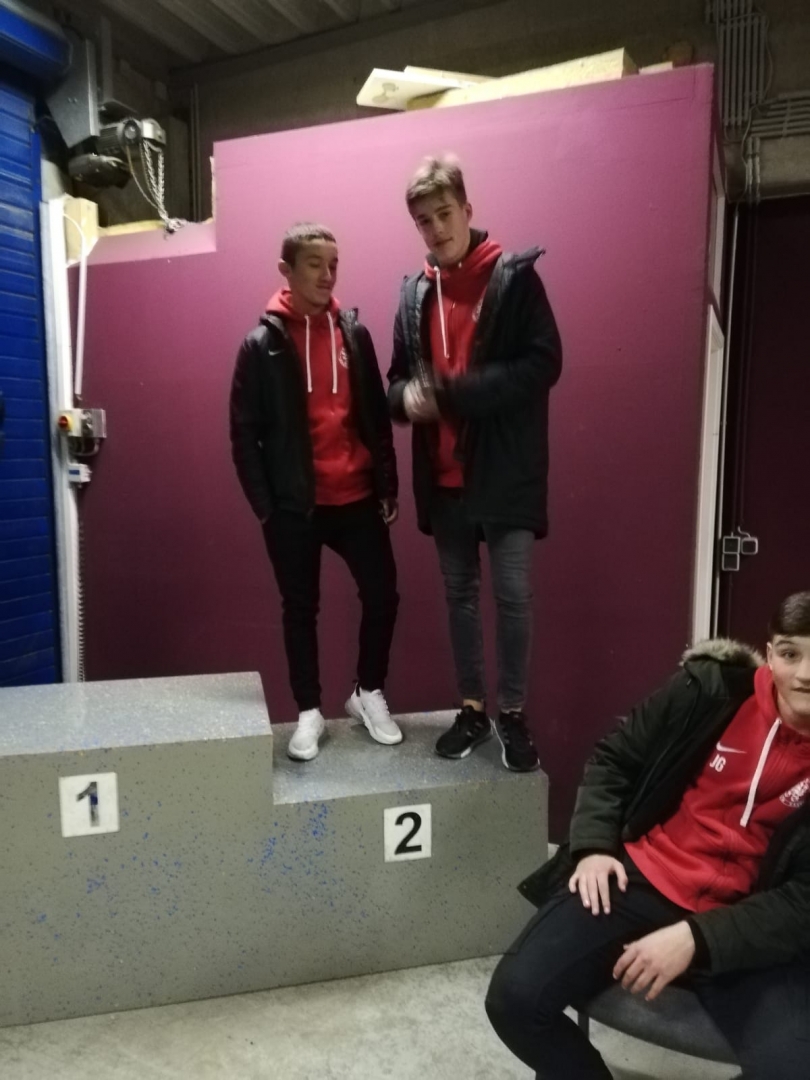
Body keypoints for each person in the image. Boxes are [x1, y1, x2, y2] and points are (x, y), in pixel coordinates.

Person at [486, 590, 810, 1079]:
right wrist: (594, 847)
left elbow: (801, 902)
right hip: (645, 875)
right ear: (769, 654)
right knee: (515, 1000)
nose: (805, 674)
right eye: (790, 654)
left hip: (750, 915)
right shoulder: (708, 691)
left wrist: (697, 938)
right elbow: (614, 760)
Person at [388, 156, 562, 772]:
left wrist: (454, 393)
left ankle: (511, 714)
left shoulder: (514, 279)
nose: (436, 229)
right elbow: (396, 381)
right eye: (423, 221)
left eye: (444, 214)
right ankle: (472, 710)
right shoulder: (413, 293)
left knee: (513, 598)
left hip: (506, 473)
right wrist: (405, 399)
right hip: (443, 478)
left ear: (467, 209)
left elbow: (544, 364)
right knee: (459, 595)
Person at [230, 223, 401, 761]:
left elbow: (376, 417)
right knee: (300, 608)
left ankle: (367, 692)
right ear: (286, 270)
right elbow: (243, 433)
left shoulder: (355, 334)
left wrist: (387, 484)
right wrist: (266, 508)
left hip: (356, 496)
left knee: (383, 595)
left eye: (333, 264)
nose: (327, 274)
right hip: (294, 506)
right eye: (314, 264)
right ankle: (309, 710)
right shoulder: (261, 345)